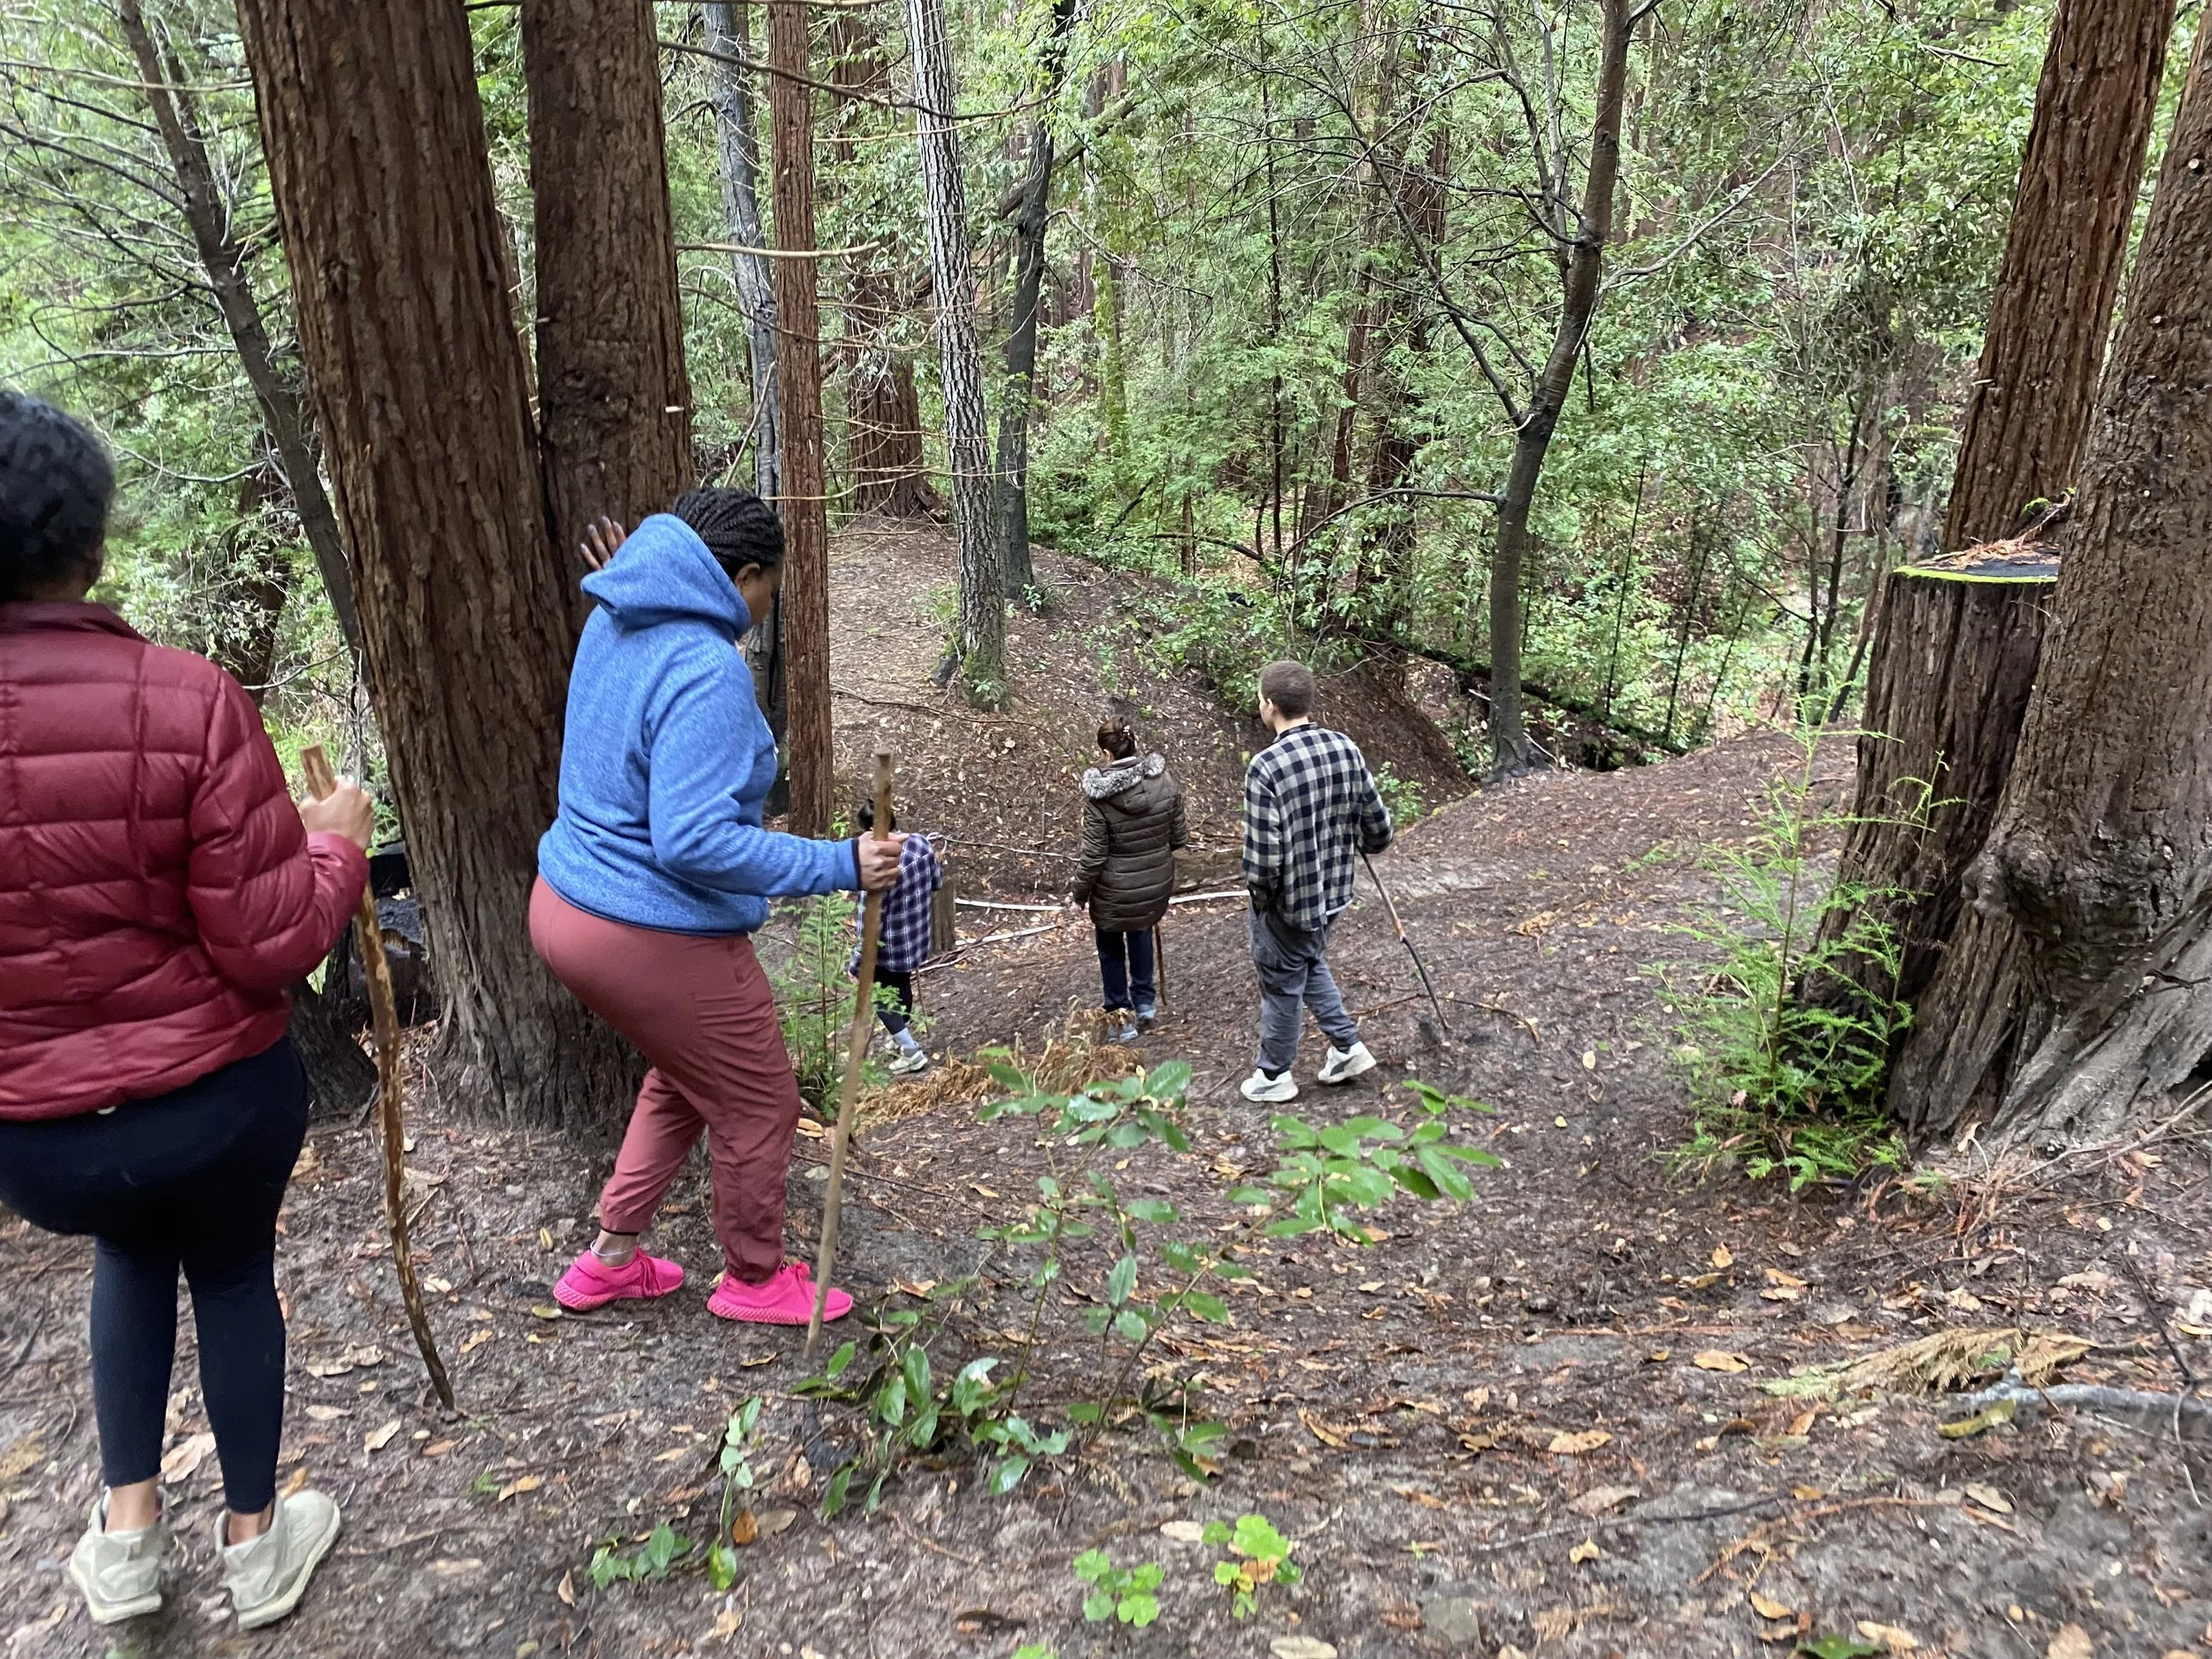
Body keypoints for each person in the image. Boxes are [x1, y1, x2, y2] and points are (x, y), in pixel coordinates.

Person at [0, 392, 372, 1628]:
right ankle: (260, 1544)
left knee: (124, 1244)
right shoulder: (186, 698)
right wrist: (338, 849)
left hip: (40, 1136)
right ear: (91, 542)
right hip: (212, 1102)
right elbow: (267, 938)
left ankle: (125, 1539)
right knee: (226, 1267)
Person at [531, 490, 904, 1326]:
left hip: (564, 904)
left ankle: (613, 1257)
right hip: (642, 925)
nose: (765, 612)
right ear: (741, 577)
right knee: (760, 1099)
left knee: (693, 1072)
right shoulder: (706, 666)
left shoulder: (615, 610)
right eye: (768, 591)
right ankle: (753, 1276)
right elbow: (693, 841)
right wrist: (840, 862)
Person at [1239, 659, 1392, 1102]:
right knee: (1305, 961)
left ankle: (1274, 1076)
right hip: (1334, 896)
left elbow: (1263, 862)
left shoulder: (1266, 767)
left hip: (1288, 903)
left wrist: (1262, 900)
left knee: (1282, 981)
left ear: (1269, 705)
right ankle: (1347, 1047)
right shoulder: (1345, 748)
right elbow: (1379, 832)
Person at [1072, 717, 1187, 1042]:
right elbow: (1179, 837)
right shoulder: (1164, 781)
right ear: (1134, 743)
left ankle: (1122, 1019)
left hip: (1113, 890)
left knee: (1110, 948)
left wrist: (1079, 892)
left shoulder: (1099, 798)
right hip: (1155, 884)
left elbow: (1094, 856)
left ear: (1106, 754)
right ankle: (1145, 1004)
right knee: (1140, 930)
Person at [852, 802, 943, 1077]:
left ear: (871, 829)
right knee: (901, 984)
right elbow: (937, 882)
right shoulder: (922, 844)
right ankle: (898, 1036)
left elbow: (868, 921)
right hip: (915, 938)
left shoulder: (877, 867)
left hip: (887, 945)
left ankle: (911, 1052)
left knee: (880, 997)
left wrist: (857, 960)